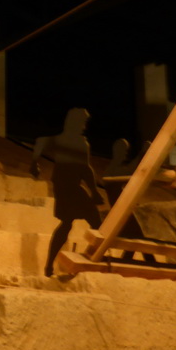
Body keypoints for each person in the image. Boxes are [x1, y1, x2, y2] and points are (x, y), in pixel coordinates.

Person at [30, 108, 106, 277]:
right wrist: (93, 191)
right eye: (82, 122)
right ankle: (94, 259)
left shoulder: (71, 141)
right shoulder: (74, 142)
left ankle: (51, 265)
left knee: (72, 223)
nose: (84, 126)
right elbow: (86, 169)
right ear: (74, 122)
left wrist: (93, 190)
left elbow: (85, 169)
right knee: (93, 221)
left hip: (67, 184)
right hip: (67, 186)